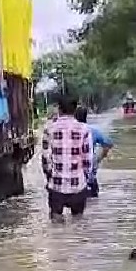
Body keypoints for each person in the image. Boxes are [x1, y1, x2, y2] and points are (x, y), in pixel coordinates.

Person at [41, 95, 92, 223]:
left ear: (59, 109)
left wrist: (49, 176)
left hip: (56, 185)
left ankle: (59, 242)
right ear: (75, 110)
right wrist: (85, 177)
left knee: (56, 222)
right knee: (79, 223)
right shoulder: (84, 129)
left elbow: (46, 158)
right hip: (78, 185)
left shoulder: (49, 129)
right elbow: (87, 159)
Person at [74, 105, 113, 198]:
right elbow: (108, 144)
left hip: (73, 182)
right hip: (90, 179)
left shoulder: (69, 131)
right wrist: (99, 158)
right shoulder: (93, 130)